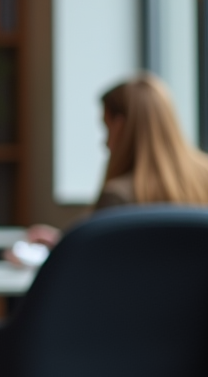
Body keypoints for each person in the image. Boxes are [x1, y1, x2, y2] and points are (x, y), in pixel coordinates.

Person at [24, 73, 208, 249]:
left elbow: (97, 263)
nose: (104, 144)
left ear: (120, 127)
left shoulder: (117, 197)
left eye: (107, 129)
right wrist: (64, 242)